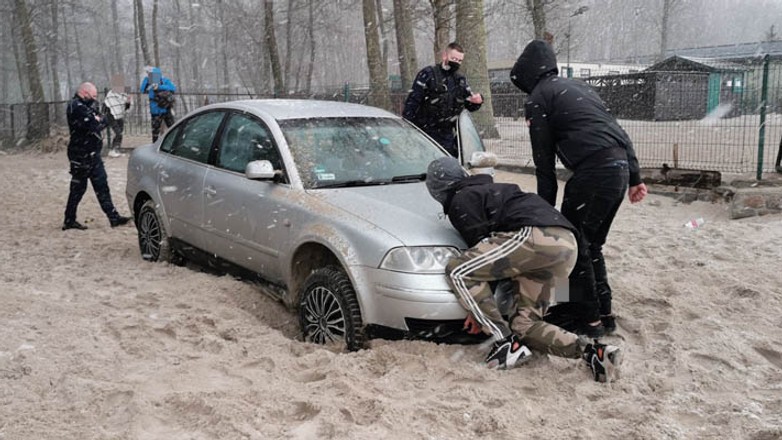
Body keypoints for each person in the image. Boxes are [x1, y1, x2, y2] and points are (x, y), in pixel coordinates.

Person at [425, 156, 622, 382]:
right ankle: (594, 353)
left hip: (536, 235)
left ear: (437, 189)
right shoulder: (489, 188)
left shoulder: (462, 199)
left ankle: (505, 343)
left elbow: (482, 259)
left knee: (458, 271)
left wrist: (477, 313)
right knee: (524, 324)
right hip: (567, 246)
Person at [510, 40, 648, 336]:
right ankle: (605, 312)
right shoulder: (580, 88)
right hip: (618, 169)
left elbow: (544, 164)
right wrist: (635, 177)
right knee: (591, 243)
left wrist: (543, 213)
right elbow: (620, 134)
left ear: (526, 74)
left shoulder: (538, 98)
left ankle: (587, 319)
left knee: (572, 245)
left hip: (593, 172)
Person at [63, 82, 132, 231]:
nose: (95, 99)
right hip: (80, 154)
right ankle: (69, 219)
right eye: (93, 96)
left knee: (102, 185)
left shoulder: (88, 106)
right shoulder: (76, 106)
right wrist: (102, 120)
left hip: (92, 153)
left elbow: (98, 119)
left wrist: (100, 119)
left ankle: (113, 217)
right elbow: (95, 125)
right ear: (84, 93)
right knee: (78, 188)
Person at [403, 42, 483, 157]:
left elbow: (469, 105)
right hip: (424, 132)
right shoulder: (428, 74)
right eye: (454, 58)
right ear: (445, 56)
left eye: (460, 60)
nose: (456, 62)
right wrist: (408, 128)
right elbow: (412, 102)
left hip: (447, 135)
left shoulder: (460, 80)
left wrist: (477, 101)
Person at [140, 66, 177, 142]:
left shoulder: (164, 80)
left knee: (172, 128)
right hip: (157, 109)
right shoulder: (148, 81)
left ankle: (171, 143)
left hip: (165, 108)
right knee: (157, 131)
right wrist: (147, 80)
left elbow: (173, 88)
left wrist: (159, 87)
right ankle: (156, 145)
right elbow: (142, 89)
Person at [102, 88, 132, 157]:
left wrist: (128, 102)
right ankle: (113, 150)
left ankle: (115, 149)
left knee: (119, 132)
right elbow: (106, 104)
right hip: (110, 114)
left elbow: (126, 107)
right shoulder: (111, 94)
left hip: (119, 115)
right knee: (118, 133)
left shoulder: (124, 95)